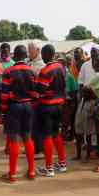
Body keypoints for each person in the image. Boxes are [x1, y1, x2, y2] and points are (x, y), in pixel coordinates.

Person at [0, 45, 36, 183]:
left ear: (14, 55)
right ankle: (31, 171)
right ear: (25, 55)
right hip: (27, 106)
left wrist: (4, 111)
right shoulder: (31, 72)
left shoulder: (8, 72)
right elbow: (34, 93)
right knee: (27, 138)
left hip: (13, 107)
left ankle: (13, 174)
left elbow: (3, 96)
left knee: (14, 140)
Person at [35, 44, 67, 177]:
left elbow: (40, 89)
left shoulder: (45, 70)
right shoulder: (61, 67)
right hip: (59, 105)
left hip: (47, 106)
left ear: (47, 54)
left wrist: (35, 83)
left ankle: (49, 168)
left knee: (47, 136)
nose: (41, 56)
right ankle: (62, 163)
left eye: (42, 54)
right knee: (56, 134)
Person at [74, 49, 99, 162]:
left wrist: (88, 91)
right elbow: (81, 84)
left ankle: (93, 152)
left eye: (95, 52)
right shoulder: (85, 66)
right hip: (85, 100)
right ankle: (87, 152)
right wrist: (82, 95)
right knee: (83, 126)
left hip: (95, 102)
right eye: (92, 52)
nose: (93, 54)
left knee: (94, 129)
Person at [27, 41, 46, 154]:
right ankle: (35, 146)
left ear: (38, 51)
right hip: (32, 99)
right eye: (28, 50)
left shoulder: (41, 65)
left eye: (30, 50)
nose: (29, 52)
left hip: (39, 99)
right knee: (32, 125)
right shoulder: (30, 63)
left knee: (37, 125)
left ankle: (39, 148)